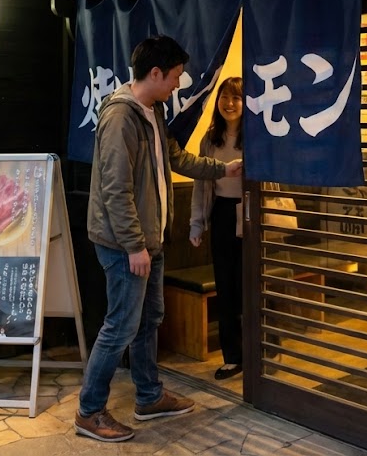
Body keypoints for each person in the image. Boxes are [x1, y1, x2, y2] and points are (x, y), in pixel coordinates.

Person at [75, 36, 243, 443]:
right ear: (155, 73)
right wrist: (134, 245)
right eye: (175, 76)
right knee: (120, 325)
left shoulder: (154, 110)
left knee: (149, 320)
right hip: (124, 244)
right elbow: (115, 189)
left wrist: (223, 170)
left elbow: (176, 157)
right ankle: (89, 410)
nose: (177, 83)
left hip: (151, 237)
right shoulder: (120, 117)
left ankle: (148, 396)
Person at [189, 77, 245, 381]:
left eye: (236, 98)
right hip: (222, 212)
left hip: (249, 213)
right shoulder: (209, 139)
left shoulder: (258, 136)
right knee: (225, 286)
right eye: (225, 97)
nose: (230, 103)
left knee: (247, 285)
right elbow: (201, 185)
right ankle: (232, 356)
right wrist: (196, 223)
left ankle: (256, 349)